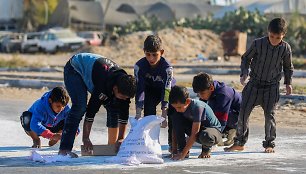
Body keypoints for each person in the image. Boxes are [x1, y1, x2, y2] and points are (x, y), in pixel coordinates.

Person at [225, 17, 294, 153]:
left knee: (270, 116)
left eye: (278, 38)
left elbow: (288, 67)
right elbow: (246, 58)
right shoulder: (258, 44)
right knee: (243, 113)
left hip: (272, 87)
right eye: (272, 36)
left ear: (283, 36)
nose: (274, 40)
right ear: (268, 32)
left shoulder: (285, 48)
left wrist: (288, 83)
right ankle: (239, 142)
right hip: (254, 84)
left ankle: (269, 143)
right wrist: (244, 73)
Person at [59, 53, 136, 157]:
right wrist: (86, 138)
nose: (124, 99)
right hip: (75, 68)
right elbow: (91, 112)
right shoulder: (102, 86)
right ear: (115, 88)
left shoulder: (125, 85)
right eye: (123, 96)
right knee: (80, 106)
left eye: (127, 98)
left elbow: (124, 113)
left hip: (97, 72)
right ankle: (64, 149)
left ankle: (112, 146)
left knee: (115, 106)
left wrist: (121, 139)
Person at [134, 35, 175, 149]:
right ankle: (149, 143)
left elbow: (167, 90)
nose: (151, 58)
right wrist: (138, 113)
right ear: (144, 52)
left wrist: (164, 114)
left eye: (155, 55)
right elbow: (140, 89)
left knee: (173, 113)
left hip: (166, 90)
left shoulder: (167, 68)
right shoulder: (139, 66)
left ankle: (173, 143)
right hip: (150, 90)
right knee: (149, 109)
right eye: (148, 54)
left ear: (161, 52)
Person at [169, 86, 222, 159]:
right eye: (175, 107)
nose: (177, 110)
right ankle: (182, 149)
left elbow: (195, 133)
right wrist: (174, 151)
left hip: (212, 132)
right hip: (198, 130)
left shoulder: (198, 107)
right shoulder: (179, 108)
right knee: (176, 118)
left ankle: (206, 149)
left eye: (179, 107)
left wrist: (182, 155)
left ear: (187, 101)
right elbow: (175, 129)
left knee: (206, 136)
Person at [192, 72, 241, 146]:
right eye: (198, 94)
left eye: (202, 93)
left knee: (212, 113)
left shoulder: (223, 95)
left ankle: (233, 131)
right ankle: (226, 132)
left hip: (237, 118)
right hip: (223, 113)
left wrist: (213, 137)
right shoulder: (208, 88)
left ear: (211, 88)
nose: (200, 96)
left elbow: (221, 119)